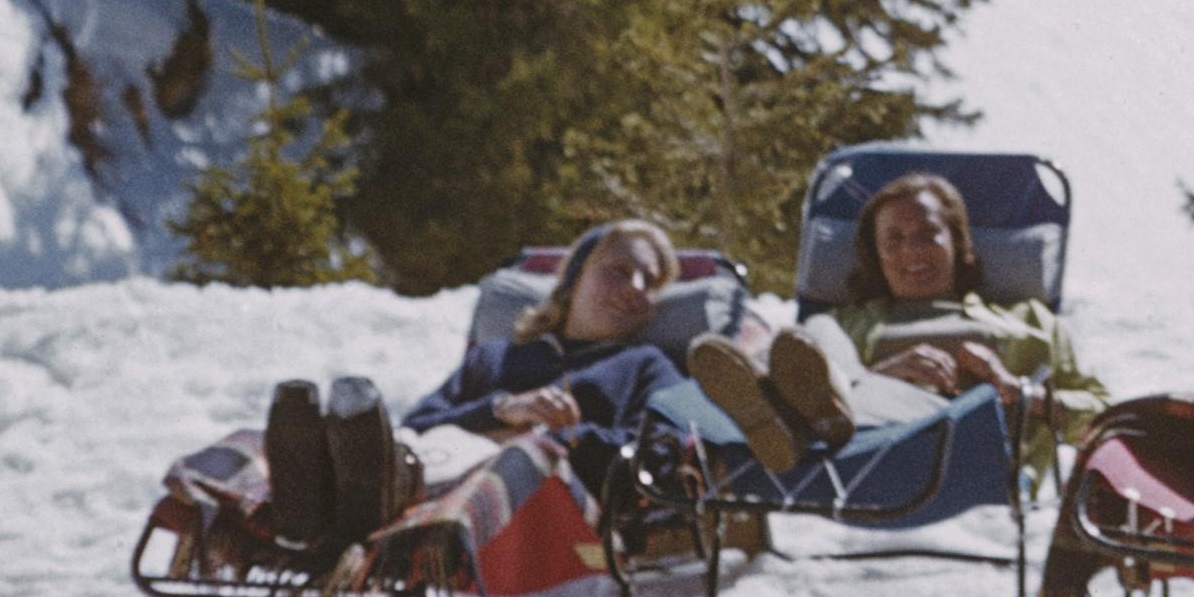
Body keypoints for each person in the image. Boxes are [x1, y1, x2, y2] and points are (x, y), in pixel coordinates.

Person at [687, 172, 1105, 479]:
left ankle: (802, 421)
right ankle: (821, 410)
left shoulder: (1029, 322)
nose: (912, 251)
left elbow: (1101, 416)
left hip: (959, 443)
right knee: (814, 330)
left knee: (823, 352)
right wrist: (878, 374)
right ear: (877, 254)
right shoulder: (846, 323)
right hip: (852, 447)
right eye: (894, 240)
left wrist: (1014, 389)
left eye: (928, 234)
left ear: (958, 243)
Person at [398, 220, 685, 500]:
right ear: (576, 278)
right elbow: (415, 427)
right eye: (620, 270)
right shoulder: (495, 357)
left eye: (650, 282)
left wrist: (546, 440)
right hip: (438, 488)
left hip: (559, 518)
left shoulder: (646, 367)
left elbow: (661, 452)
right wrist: (501, 409)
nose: (637, 287)